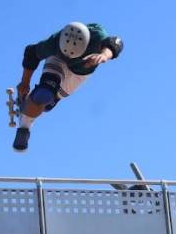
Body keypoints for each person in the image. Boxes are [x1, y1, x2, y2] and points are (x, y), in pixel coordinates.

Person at [13, 21, 124, 151]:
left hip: (79, 74)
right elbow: (31, 53)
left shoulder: (97, 37)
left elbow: (116, 42)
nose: (69, 58)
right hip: (58, 60)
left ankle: (35, 106)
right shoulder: (54, 42)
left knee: (48, 103)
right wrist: (25, 83)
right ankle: (25, 125)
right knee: (44, 94)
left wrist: (104, 55)